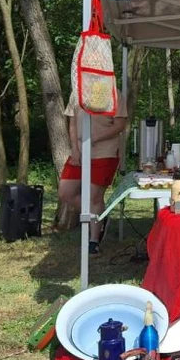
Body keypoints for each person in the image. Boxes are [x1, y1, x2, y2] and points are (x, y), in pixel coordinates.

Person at [58, 90, 129, 255]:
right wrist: (75, 148)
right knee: (65, 192)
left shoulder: (113, 92)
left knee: (93, 197)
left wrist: (95, 137)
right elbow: (73, 122)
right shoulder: (77, 92)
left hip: (105, 152)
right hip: (80, 152)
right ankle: (99, 216)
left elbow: (120, 125)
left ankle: (93, 239)